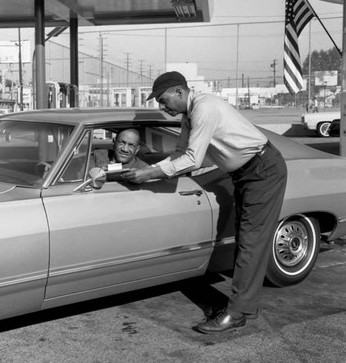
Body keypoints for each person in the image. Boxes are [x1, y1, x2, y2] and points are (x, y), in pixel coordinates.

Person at [122, 71, 287, 334]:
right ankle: (244, 307)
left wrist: (150, 173)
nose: (162, 107)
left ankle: (236, 313)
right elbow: (180, 153)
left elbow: (192, 160)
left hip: (262, 169)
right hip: (244, 173)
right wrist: (145, 167)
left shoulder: (204, 108)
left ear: (180, 92)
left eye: (164, 100)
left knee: (250, 242)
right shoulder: (190, 113)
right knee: (247, 240)